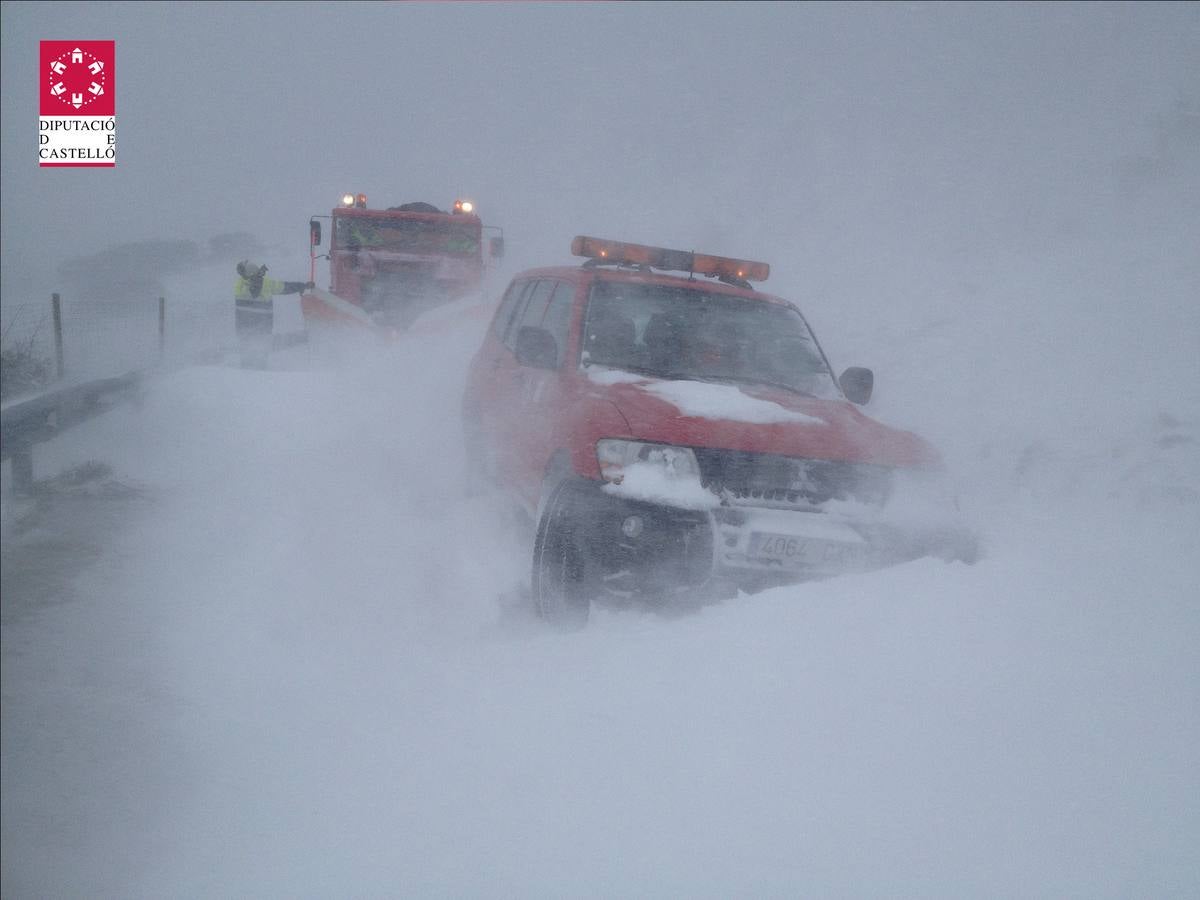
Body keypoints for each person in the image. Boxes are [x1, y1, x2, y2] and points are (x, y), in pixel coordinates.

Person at [234, 261, 313, 368]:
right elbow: (256, 292)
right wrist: (301, 286)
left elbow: (283, 287)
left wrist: (301, 286)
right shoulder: (250, 285)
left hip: (252, 328)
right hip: (254, 329)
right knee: (253, 359)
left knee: (254, 358)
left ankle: (252, 375)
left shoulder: (249, 284)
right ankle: (253, 375)